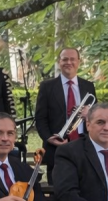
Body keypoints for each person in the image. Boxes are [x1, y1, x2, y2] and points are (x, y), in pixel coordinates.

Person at [35, 48, 97, 183]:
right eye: (64, 59)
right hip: (57, 146)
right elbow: (40, 118)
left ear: (79, 62)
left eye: (72, 59)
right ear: (59, 62)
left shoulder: (88, 86)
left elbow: (97, 117)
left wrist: (90, 114)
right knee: (58, 187)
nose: (69, 62)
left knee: (86, 184)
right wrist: (49, 138)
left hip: (84, 143)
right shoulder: (47, 86)